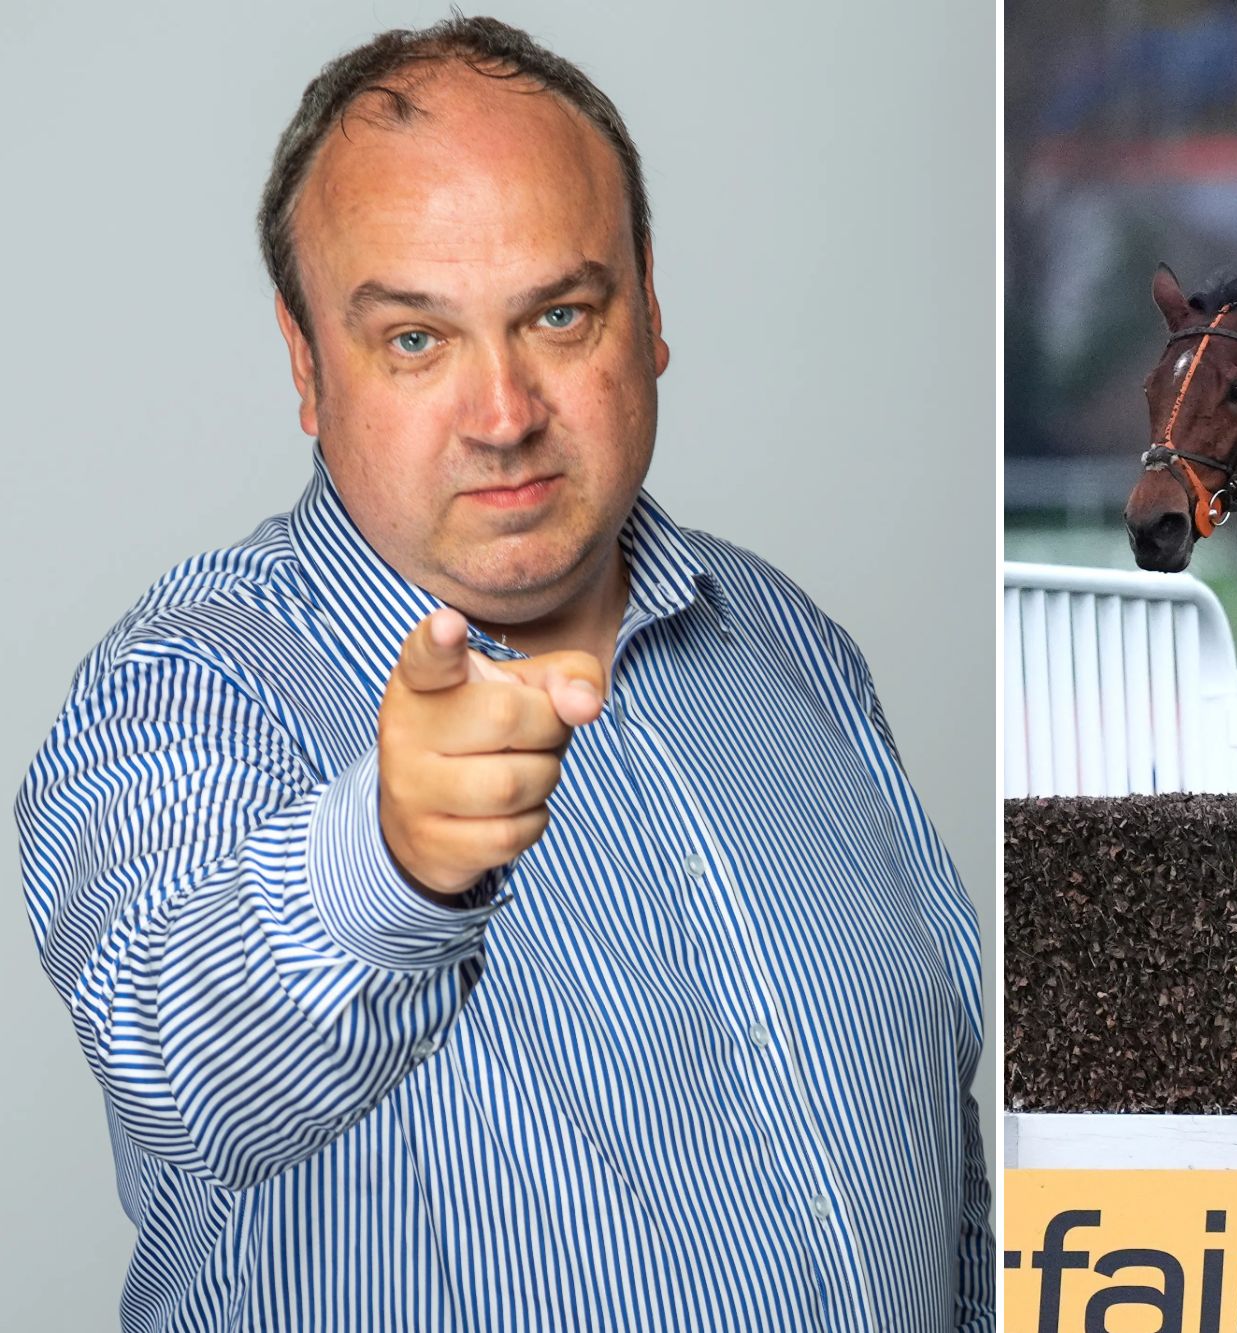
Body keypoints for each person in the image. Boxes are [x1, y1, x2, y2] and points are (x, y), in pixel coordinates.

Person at [15, 17, 990, 1331]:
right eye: (415, 340)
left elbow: (946, 1158)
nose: (503, 411)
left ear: (650, 308)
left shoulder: (784, 640)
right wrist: (391, 855)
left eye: (559, 315)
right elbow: (178, 1058)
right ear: (309, 367)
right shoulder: (185, 689)